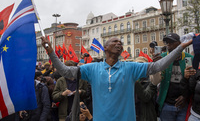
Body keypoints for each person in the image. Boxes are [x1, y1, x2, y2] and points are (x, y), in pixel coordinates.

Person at [41, 36, 192, 121]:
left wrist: (180, 48)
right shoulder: (92, 69)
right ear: (105, 47)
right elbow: (66, 71)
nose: (119, 44)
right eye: (114, 42)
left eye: (120, 43)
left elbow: (157, 67)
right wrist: (50, 52)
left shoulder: (130, 67)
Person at [153, 33, 194, 121]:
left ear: (180, 43)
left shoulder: (189, 58)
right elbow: (155, 82)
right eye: (166, 42)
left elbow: (193, 82)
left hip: (183, 105)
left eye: (171, 42)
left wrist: (185, 96)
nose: (168, 44)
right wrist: (156, 67)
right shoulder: (162, 58)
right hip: (166, 104)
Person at [134, 56, 160, 121]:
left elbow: (146, 97)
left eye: (142, 66)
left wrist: (135, 82)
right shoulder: (129, 81)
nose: (139, 68)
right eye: (137, 65)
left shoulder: (151, 80)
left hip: (146, 117)